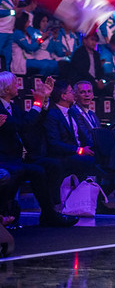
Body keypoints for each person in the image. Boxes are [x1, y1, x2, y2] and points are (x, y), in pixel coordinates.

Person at [0, 72, 77, 227]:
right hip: (6, 158)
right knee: (32, 171)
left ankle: (50, 212)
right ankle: (6, 212)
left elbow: (34, 123)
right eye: (15, 83)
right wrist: (37, 103)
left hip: (21, 157)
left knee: (53, 165)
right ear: (6, 89)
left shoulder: (13, 107)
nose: (18, 86)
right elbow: (21, 125)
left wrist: (45, 100)